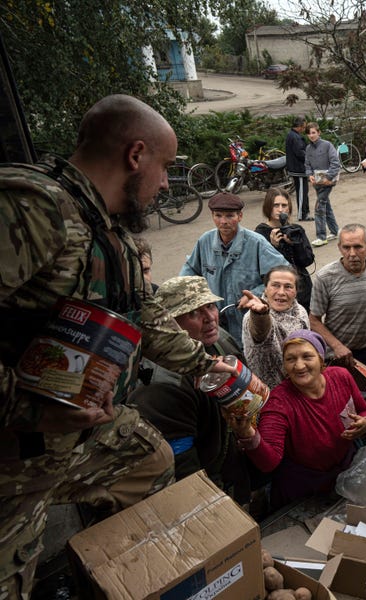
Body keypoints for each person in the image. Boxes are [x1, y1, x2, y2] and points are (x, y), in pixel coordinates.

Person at [0, 94, 233, 596]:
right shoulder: (32, 206)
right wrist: (26, 408)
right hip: (14, 450)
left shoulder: (112, 236)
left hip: (76, 435)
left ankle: (121, 583)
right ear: (136, 155)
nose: (168, 183)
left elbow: (144, 320)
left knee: (147, 457)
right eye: (167, 167)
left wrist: (212, 369)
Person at [132, 276, 259, 503]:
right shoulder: (162, 386)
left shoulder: (219, 340)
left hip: (235, 466)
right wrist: (210, 503)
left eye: (210, 306)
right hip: (207, 487)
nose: (210, 318)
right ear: (169, 324)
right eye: (193, 313)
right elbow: (182, 467)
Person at [228, 330, 366, 508]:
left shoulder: (341, 377)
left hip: (347, 473)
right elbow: (269, 462)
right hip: (304, 490)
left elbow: (364, 410)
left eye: (307, 356)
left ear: (321, 359)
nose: (299, 366)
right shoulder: (279, 402)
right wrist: (247, 434)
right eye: (290, 359)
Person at [181, 192, 289, 347]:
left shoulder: (256, 243)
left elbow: (283, 275)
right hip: (215, 324)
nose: (223, 221)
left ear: (240, 216)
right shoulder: (205, 241)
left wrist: (256, 294)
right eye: (218, 216)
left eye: (230, 216)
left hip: (249, 322)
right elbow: (189, 270)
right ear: (212, 216)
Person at [310, 224, 366, 375]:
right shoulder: (325, 277)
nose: (352, 253)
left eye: (358, 247)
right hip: (338, 356)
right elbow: (314, 320)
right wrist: (336, 346)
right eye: (346, 247)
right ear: (339, 247)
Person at [239, 265, 311, 389]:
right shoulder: (253, 315)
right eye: (275, 285)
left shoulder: (300, 311)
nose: (281, 292)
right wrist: (260, 315)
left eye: (288, 287)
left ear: (296, 291)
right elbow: (261, 333)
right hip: (270, 391)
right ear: (265, 289)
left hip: (301, 385)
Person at [254, 188, 314, 310]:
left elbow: (307, 260)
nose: (280, 209)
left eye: (284, 205)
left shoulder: (295, 229)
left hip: (302, 289)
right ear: (268, 207)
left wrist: (296, 244)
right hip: (279, 294)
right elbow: (262, 270)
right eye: (276, 205)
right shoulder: (260, 234)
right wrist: (273, 247)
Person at [305, 122, 341, 247]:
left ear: (319, 132)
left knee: (319, 207)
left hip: (328, 182)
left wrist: (328, 177)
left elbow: (335, 163)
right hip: (317, 183)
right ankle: (335, 230)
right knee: (326, 206)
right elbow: (307, 164)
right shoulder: (308, 149)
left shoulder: (327, 145)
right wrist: (309, 174)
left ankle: (321, 236)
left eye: (314, 132)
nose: (311, 135)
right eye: (309, 133)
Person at [286, 116, 311, 221]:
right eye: (304, 127)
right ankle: (302, 215)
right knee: (301, 192)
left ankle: (305, 213)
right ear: (300, 127)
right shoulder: (295, 137)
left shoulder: (293, 135)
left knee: (304, 191)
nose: (305, 129)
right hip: (298, 169)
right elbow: (300, 153)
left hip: (298, 168)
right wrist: (310, 159)